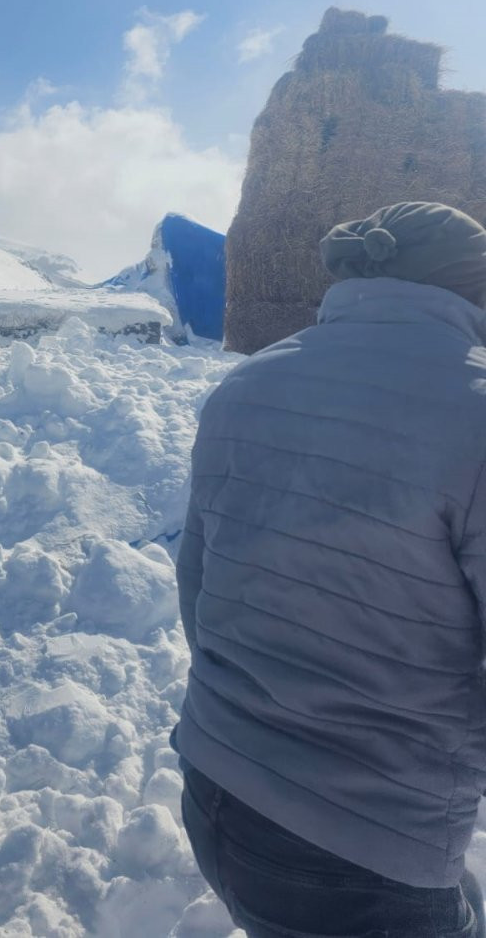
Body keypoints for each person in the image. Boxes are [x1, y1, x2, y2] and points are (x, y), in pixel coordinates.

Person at [172, 201, 486, 938]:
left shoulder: (245, 385)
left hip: (217, 782)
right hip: (366, 851)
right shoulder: (475, 413)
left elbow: (198, 588)